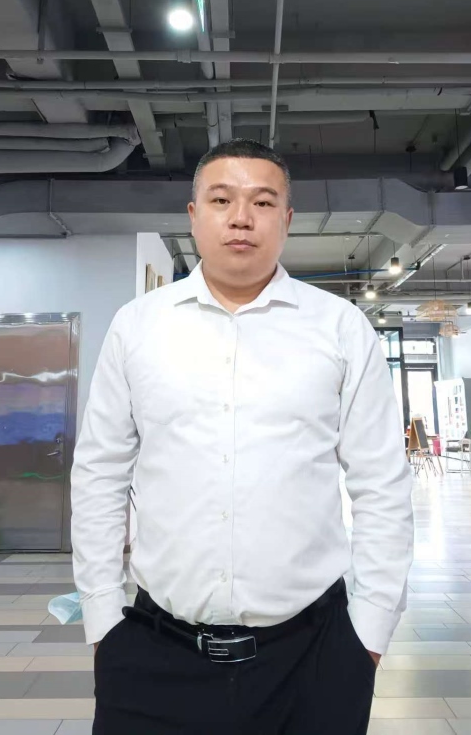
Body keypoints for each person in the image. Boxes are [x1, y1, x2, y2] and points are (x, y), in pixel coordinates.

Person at [71, 138, 414, 735]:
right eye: (221, 199)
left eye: (262, 201)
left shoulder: (339, 328)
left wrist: (369, 634)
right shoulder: (138, 327)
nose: (240, 217)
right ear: (193, 215)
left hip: (313, 656)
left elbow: (382, 482)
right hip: (153, 653)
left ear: (286, 219)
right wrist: (103, 621)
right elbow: (100, 473)